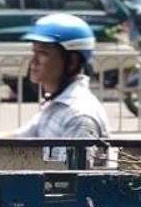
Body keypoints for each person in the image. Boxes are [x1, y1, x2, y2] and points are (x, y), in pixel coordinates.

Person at [6, 14, 110, 160]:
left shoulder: (79, 117)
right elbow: (22, 136)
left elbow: (72, 179)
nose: (34, 61)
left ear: (72, 62)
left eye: (43, 53)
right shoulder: (57, 102)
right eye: (34, 52)